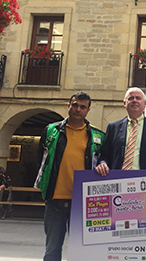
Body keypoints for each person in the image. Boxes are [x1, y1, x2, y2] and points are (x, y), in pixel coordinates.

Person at [35, 92, 105, 261]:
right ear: (68, 106)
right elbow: (41, 159)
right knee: (52, 249)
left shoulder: (98, 135)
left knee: (79, 250)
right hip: (55, 199)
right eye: (74, 105)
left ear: (88, 110)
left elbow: (103, 159)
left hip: (82, 202)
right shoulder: (52, 130)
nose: (77, 109)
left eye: (82, 107)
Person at [95, 87, 146, 176]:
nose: (134, 100)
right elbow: (105, 155)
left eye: (138, 98)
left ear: (145, 104)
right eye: (130, 98)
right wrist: (102, 164)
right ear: (124, 103)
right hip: (118, 179)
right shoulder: (113, 127)